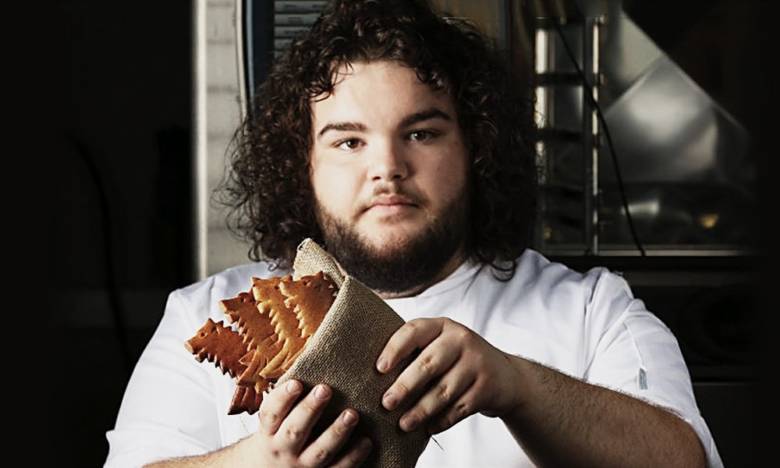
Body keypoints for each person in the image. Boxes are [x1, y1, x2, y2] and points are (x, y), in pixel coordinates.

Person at [105, 0, 722, 466]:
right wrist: (259, 462)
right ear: (303, 163)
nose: (387, 167)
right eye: (349, 141)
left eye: (422, 133)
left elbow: (684, 460)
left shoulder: (590, 311)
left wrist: (520, 386)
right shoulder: (205, 315)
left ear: (475, 149)